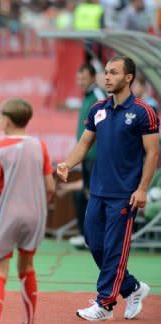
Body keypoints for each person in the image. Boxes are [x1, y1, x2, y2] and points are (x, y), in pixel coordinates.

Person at [57, 56, 158, 321]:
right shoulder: (97, 109)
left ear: (129, 78)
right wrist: (68, 163)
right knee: (93, 241)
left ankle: (105, 303)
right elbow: (84, 143)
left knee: (114, 248)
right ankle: (132, 288)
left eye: (113, 72)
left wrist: (143, 189)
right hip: (99, 192)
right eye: (106, 72)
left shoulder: (143, 111)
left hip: (125, 194)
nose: (107, 77)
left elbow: (152, 153)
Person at [0, 98, 55, 324]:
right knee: (28, 267)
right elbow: (50, 186)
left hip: (7, 213)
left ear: (7, 119)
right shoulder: (39, 145)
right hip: (35, 214)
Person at [68, 63, 106, 249]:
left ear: (92, 77)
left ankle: (95, 237)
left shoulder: (99, 96)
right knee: (86, 192)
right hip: (87, 155)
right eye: (78, 79)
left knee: (94, 194)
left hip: (97, 155)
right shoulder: (87, 97)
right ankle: (87, 236)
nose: (80, 82)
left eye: (83, 78)